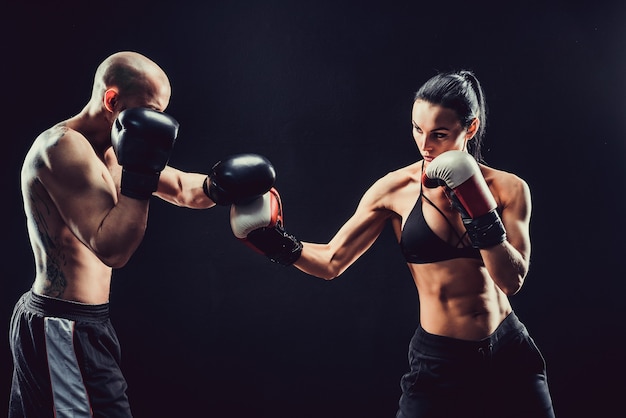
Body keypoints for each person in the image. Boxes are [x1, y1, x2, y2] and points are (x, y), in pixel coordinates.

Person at [229, 70, 556, 417]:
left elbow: (511, 280)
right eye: (418, 129)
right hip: (440, 362)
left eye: (440, 134)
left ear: (470, 128)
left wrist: (479, 210)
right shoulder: (393, 189)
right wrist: (272, 241)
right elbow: (331, 261)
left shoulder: (510, 188)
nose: (426, 145)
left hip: (509, 352)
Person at [10, 51, 275, 418]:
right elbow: (112, 248)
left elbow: (183, 187)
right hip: (64, 324)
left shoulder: (116, 149)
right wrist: (138, 177)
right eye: (149, 110)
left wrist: (220, 186)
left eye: (161, 114)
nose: (156, 123)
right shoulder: (62, 149)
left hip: (83, 324)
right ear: (111, 100)